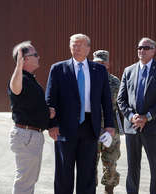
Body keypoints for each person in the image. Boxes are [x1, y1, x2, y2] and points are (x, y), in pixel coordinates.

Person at [45, 34, 115, 194]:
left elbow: (106, 101)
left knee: (88, 174)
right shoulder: (58, 69)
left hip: (90, 127)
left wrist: (109, 126)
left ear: (88, 48)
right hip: (64, 128)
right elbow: (50, 99)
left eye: (79, 45)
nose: (76, 48)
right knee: (64, 174)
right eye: (73, 45)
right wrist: (52, 124)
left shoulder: (99, 70)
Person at [117, 37, 156, 194]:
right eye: (139, 47)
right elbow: (121, 99)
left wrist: (147, 116)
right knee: (132, 166)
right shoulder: (129, 70)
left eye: (146, 48)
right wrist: (131, 116)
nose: (141, 50)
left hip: (153, 126)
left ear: (154, 50)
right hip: (132, 126)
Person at [7, 41, 56, 194]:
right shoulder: (19, 78)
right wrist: (18, 66)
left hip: (32, 135)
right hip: (27, 135)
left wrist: (47, 112)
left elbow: (31, 106)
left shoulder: (30, 80)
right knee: (25, 181)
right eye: (35, 55)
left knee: (29, 179)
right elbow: (15, 89)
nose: (38, 57)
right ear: (25, 59)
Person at [92, 50, 123, 194]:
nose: (100, 66)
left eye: (103, 63)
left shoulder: (115, 82)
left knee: (111, 164)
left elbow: (121, 103)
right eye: (97, 63)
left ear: (108, 64)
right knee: (90, 164)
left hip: (111, 130)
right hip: (91, 129)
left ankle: (108, 190)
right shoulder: (87, 80)